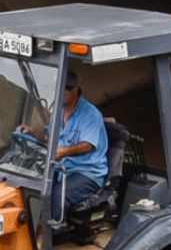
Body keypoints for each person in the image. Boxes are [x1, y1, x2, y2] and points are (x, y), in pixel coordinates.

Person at [23, 71, 109, 216]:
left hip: (86, 172)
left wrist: (63, 152)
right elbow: (49, 137)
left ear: (74, 90)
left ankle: (48, 235)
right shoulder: (58, 110)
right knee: (31, 181)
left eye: (64, 91)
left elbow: (88, 145)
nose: (59, 95)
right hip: (62, 168)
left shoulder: (90, 114)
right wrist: (32, 132)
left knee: (56, 195)